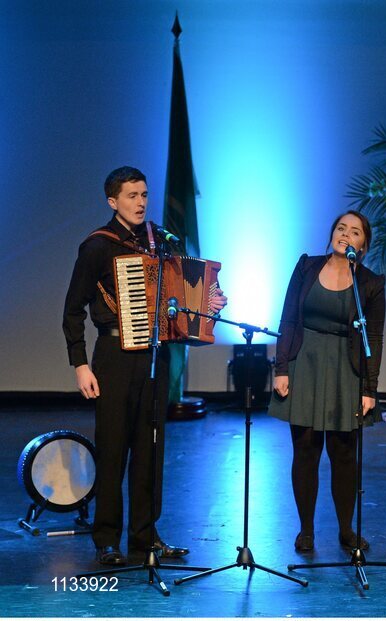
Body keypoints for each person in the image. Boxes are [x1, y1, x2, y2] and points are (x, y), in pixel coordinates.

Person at [62, 166, 227, 565]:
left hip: (155, 356)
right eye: (132, 196)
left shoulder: (159, 244)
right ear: (112, 201)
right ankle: (106, 540)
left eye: (144, 194)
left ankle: (145, 536)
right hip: (114, 358)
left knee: (151, 449)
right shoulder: (98, 247)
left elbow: (179, 297)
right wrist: (80, 365)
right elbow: (71, 312)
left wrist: (208, 305)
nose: (140, 202)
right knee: (114, 449)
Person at [269, 210, 384, 553]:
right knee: (305, 449)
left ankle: (347, 530)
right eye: (340, 228)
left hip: (345, 371)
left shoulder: (370, 284)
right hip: (305, 363)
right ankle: (306, 530)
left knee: (344, 453)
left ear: (363, 245)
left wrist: (369, 388)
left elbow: (373, 338)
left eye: (354, 232)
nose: (345, 235)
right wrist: (282, 367)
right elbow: (288, 318)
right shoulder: (307, 267)